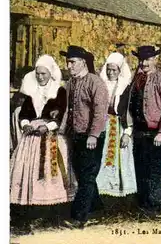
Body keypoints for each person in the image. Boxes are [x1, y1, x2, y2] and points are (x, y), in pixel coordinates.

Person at [10, 55, 77, 207]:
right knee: (30, 169)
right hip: (32, 137)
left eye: (43, 74)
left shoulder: (58, 91)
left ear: (50, 74)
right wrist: (26, 124)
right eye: (38, 73)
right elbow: (24, 113)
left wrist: (47, 127)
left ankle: (53, 205)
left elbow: (61, 114)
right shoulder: (31, 91)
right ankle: (33, 202)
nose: (40, 77)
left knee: (51, 169)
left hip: (51, 136)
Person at [121, 45, 161, 216]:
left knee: (154, 171)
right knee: (141, 170)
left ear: (155, 60)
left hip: (156, 134)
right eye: (141, 59)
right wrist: (129, 129)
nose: (143, 63)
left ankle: (156, 208)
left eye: (147, 59)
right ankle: (144, 206)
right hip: (140, 132)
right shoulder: (136, 80)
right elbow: (129, 105)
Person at [58, 46, 108, 229]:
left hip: (91, 136)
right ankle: (97, 209)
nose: (68, 66)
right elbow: (67, 110)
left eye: (72, 62)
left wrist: (93, 135)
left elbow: (100, 112)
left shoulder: (95, 82)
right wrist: (63, 130)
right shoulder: (70, 84)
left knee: (87, 176)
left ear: (83, 63)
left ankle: (78, 217)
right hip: (76, 135)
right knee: (82, 174)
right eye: (67, 62)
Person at [96, 52, 137, 197]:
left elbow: (130, 111)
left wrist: (127, 133)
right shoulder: (100, 85)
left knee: (121, 159)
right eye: (109, 69)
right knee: (102, 158)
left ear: (120, 71)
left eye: (114, 70)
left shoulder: (126, 88)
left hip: (119, 126)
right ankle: (103, 193)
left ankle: (120, 195)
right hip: (103, 126)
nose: (111, 73)